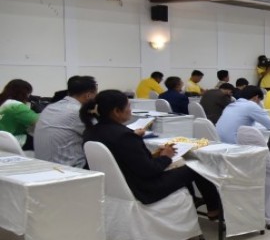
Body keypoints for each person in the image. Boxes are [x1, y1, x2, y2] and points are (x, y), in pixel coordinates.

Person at [81, 90, 221, 218]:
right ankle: (214, 208)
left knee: (182, 167)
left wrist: (155, 156)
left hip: (117, 185)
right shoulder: (125, 136)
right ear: (117, 111)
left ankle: (195, 201)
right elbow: (149, 171)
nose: (130, 110)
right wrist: (166, 156)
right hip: (144, 188)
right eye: (128, 106)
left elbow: (127, 159)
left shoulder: (90, 132)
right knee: (196, 166)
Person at [34, 76, 97, 168]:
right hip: (67, 169)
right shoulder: (78, 111)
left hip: (43, 165)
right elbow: (99, 133)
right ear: (89, 95)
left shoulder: (51, 107)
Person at [0, 79, 38, 150]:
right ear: (24, 93)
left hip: (2, 141)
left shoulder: (3, 102)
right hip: (15, 141)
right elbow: (40, 122)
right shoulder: (15, 106)